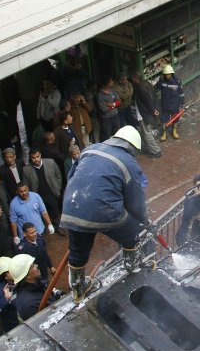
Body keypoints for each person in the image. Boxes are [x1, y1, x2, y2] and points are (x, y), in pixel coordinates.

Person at [61, 126, 150, 303]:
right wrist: (143, 219)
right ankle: (133, 266)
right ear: (132, 147)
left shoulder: (90, 149)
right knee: (131, 230)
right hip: (105, 212)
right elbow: (135, 200)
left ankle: (78, 289)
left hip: (72, 208)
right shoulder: (129, 162)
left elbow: (73, 177)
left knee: (78, 250)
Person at [22, 149, 63, 234]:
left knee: (55, 211)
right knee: (40, 214)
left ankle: (57, 227)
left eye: (37, 156)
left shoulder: (50, 162)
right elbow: (25, 185)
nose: (36, 159)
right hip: (37, 197)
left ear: (40, 155)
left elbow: (58, 176)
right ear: (30, 158)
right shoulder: (26, 170)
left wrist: (57, 188)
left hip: (51, 193)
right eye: (33, 158)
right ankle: (43, 230)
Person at [129, 71, 163, 158]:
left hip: (143, 113)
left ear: (136, 78)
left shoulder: (141, 87)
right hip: (145, 113)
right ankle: (151, 148)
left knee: (146, 132)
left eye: (133, 78)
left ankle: (156, 151)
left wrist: (153, 110)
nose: (132, 80)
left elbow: (147, 101)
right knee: (145, 132)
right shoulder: (146, 83)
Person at [7, 254, 46, 322]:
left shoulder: (37, 284)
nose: (37, 266)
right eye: (33, 266)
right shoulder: (29, 305)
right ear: (27, 276)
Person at [155, 64, 185, 140]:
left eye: (168, 74)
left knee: (175, 119)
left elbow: (181, 93)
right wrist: (160, 80)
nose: (167, 75)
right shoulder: (162, 81)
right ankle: (164, 133)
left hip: (175, 104)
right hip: (165, 104)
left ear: (172, 73)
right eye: (166, 74)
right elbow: (157, 88)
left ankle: (174, 131)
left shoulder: (177, 81)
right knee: (164, 120)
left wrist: (182, 103)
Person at [96, 77, 121, 142]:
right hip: (106, 119)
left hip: (115, 115)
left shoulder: (112, 90)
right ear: (107, 83)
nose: (112, 83)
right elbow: (103, 109)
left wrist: (111, 105)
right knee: (107, 135)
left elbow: (119, 101)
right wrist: (113, 105)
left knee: (117, 133)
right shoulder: (100, 95)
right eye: (111, 81)